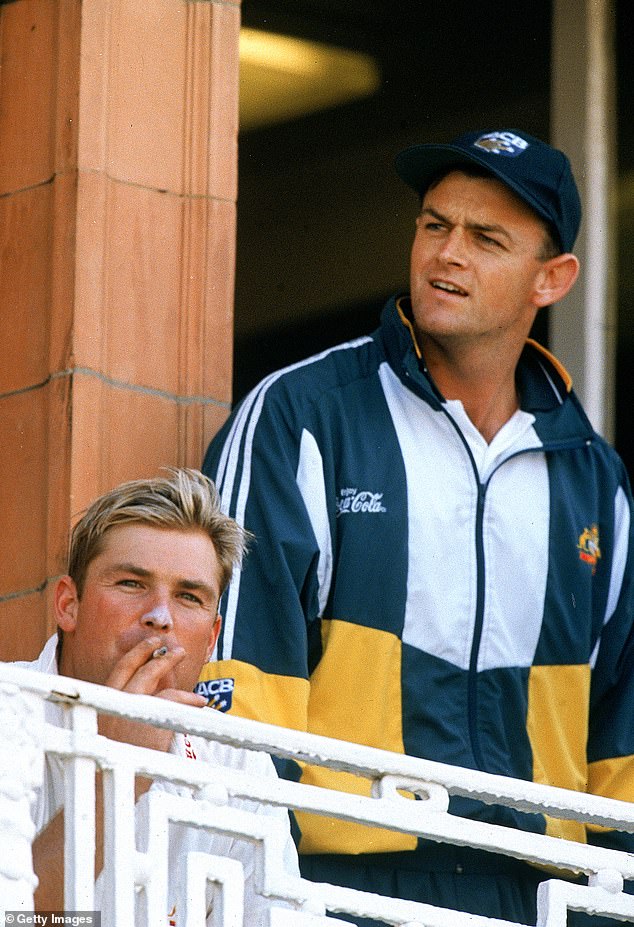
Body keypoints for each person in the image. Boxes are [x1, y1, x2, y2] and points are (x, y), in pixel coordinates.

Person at [199, 129, 634, 926]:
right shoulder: (300, 417)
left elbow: (621, 741)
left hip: (538, 901)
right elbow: (237, 686)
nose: (447, 253)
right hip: (336, 891)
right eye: (434, 225)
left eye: (485, 238)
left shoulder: (595, 481)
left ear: (553, 278)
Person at [14, 468, 299, 924]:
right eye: (131, 583)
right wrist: (114, 771)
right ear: (69, 605)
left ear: (211, 639)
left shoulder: (238, 764)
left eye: (189, 597)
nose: (160, 616)